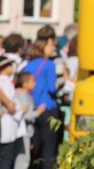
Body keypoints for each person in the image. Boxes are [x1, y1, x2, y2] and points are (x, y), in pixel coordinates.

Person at [22, 39, 62, 169]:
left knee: (35, 148)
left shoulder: (28, 64)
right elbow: (52, 88)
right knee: (49, 150)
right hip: (48, 109)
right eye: (50, 45)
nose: (53, 48)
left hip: (32, 109)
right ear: (43, 47)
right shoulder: (50, 64)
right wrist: (61, 82)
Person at [0, 56, 25, 169]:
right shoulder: (3, 81)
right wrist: (13, 106)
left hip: (7, 123)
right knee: (7, 157)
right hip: (6, 123)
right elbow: (11, 106)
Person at [15, 72, 45, 169]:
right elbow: (25, 115)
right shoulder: (23, 96)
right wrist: (38, 112)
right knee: (23, 161)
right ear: (25, 84)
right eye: (32, 80)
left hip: (27, 133)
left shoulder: (25, 96)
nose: (35, 83)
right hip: (23, 133)